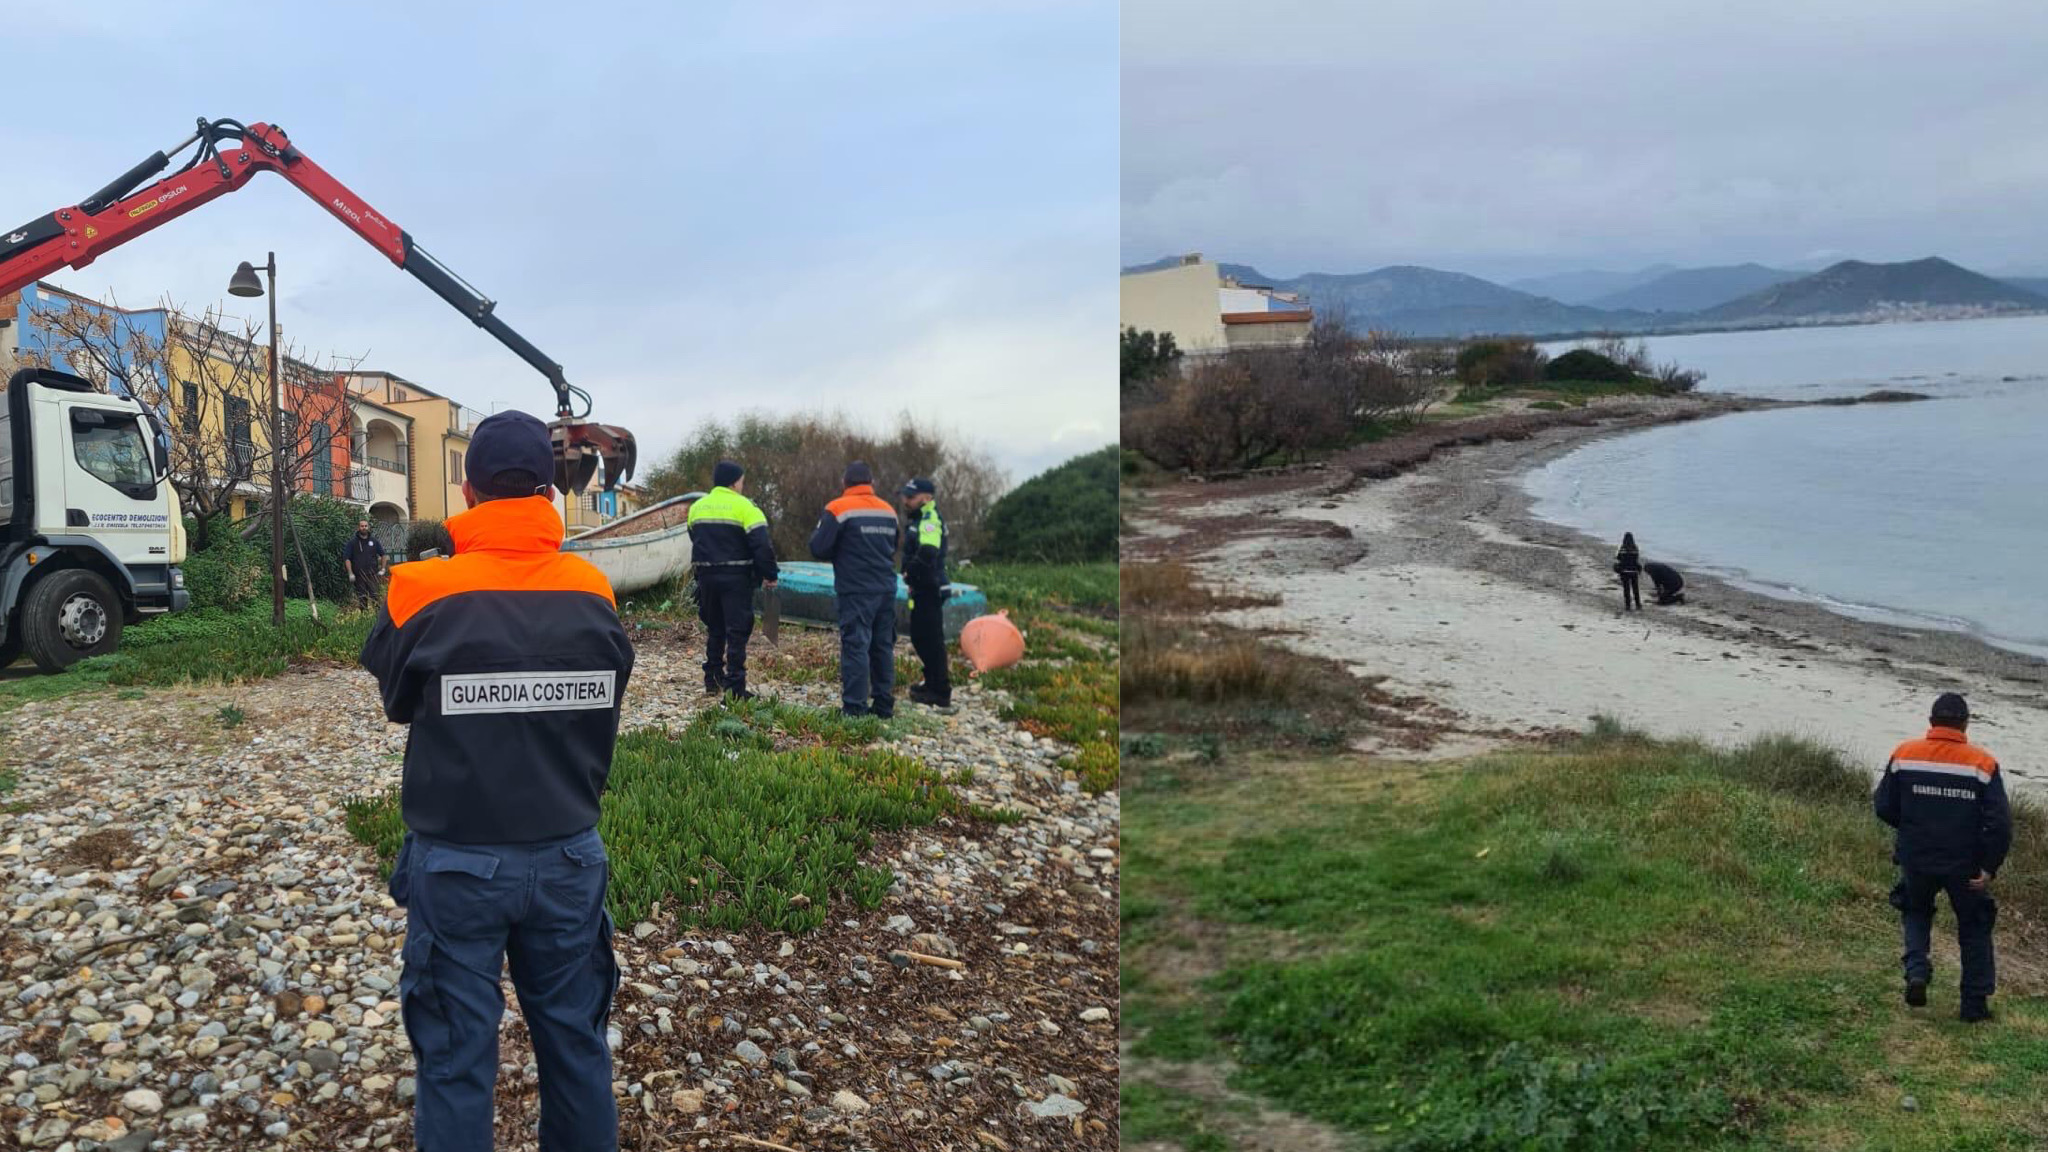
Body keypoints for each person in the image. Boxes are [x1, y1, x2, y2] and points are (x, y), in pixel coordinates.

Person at [359, 410, 636, 1150]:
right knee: (577, 1048)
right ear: (550, 492)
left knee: (453, 1060)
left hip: (457, 860)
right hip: (569, 856)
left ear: (470, 491)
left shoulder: (418, 588)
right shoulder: (595, 592)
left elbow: (395, 700)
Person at [1873, 692, 2011, 1023]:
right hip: (1966, 866)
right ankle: (1973, 1008)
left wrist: (1910, 830)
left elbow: (1883, 806)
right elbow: (2001, 824)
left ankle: (1917, 972)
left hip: (1916, 858)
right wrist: (1989, 867)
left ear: (1931, 722)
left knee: (1916, 911)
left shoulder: (1905, 754)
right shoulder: (1982, 763)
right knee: (1974, 927)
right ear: (1965, 724)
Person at [808, 461, 901, 717]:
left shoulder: (838, 508)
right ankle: (883, 706)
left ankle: (854, 707)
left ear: (844, 483)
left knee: (856, 645)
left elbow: (818, 547)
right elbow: (894, 544)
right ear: (871, 483)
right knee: (882, 646)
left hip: (856, 590)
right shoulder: (889, 511)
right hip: (886, 588)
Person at [685, 459, 779, 699]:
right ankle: (735, 687)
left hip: (706, 576)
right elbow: (762, 546)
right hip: (736, 578)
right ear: (735, 482)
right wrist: (769, 575)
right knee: (737, 631)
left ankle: (712, 679)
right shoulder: (746, 507)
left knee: (715, 627)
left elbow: (693, 536)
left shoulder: (698, 507)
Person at [899, 475, 951, 707]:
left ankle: (940, 691)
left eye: (911, 497)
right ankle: (931, 683)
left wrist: (910, 571)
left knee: (931, 640)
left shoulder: (929, 518)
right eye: (905, 495)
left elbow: (929, 550)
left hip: (930, 587)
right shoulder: (919, 518)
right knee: (921, 638)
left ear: (926, 498)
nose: (906, 501)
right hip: (922, 587)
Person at [344, 519, 388, 611]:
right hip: (359, 576)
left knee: (375, 597)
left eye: (365, 526)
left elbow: (383, 555)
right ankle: (364, 618)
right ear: (358, 528)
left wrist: (383, 569)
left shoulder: (374, 541)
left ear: (368, 527)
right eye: (362, 526)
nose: (364, 528)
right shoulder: (352, 543)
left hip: (372, 575)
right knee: (362, 599)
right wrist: (350, 573)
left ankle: (377, 618)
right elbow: (347, 559)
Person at [1612, 532, 1642, 611]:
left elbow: (1618, 558)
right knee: (1635, 588)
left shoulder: (1622, 548)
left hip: (1624, 571)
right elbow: (1637, 558)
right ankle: (1638, 604)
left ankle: (1628, 605)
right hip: (1634, 571)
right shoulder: (1635, 547)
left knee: (1626, 589)